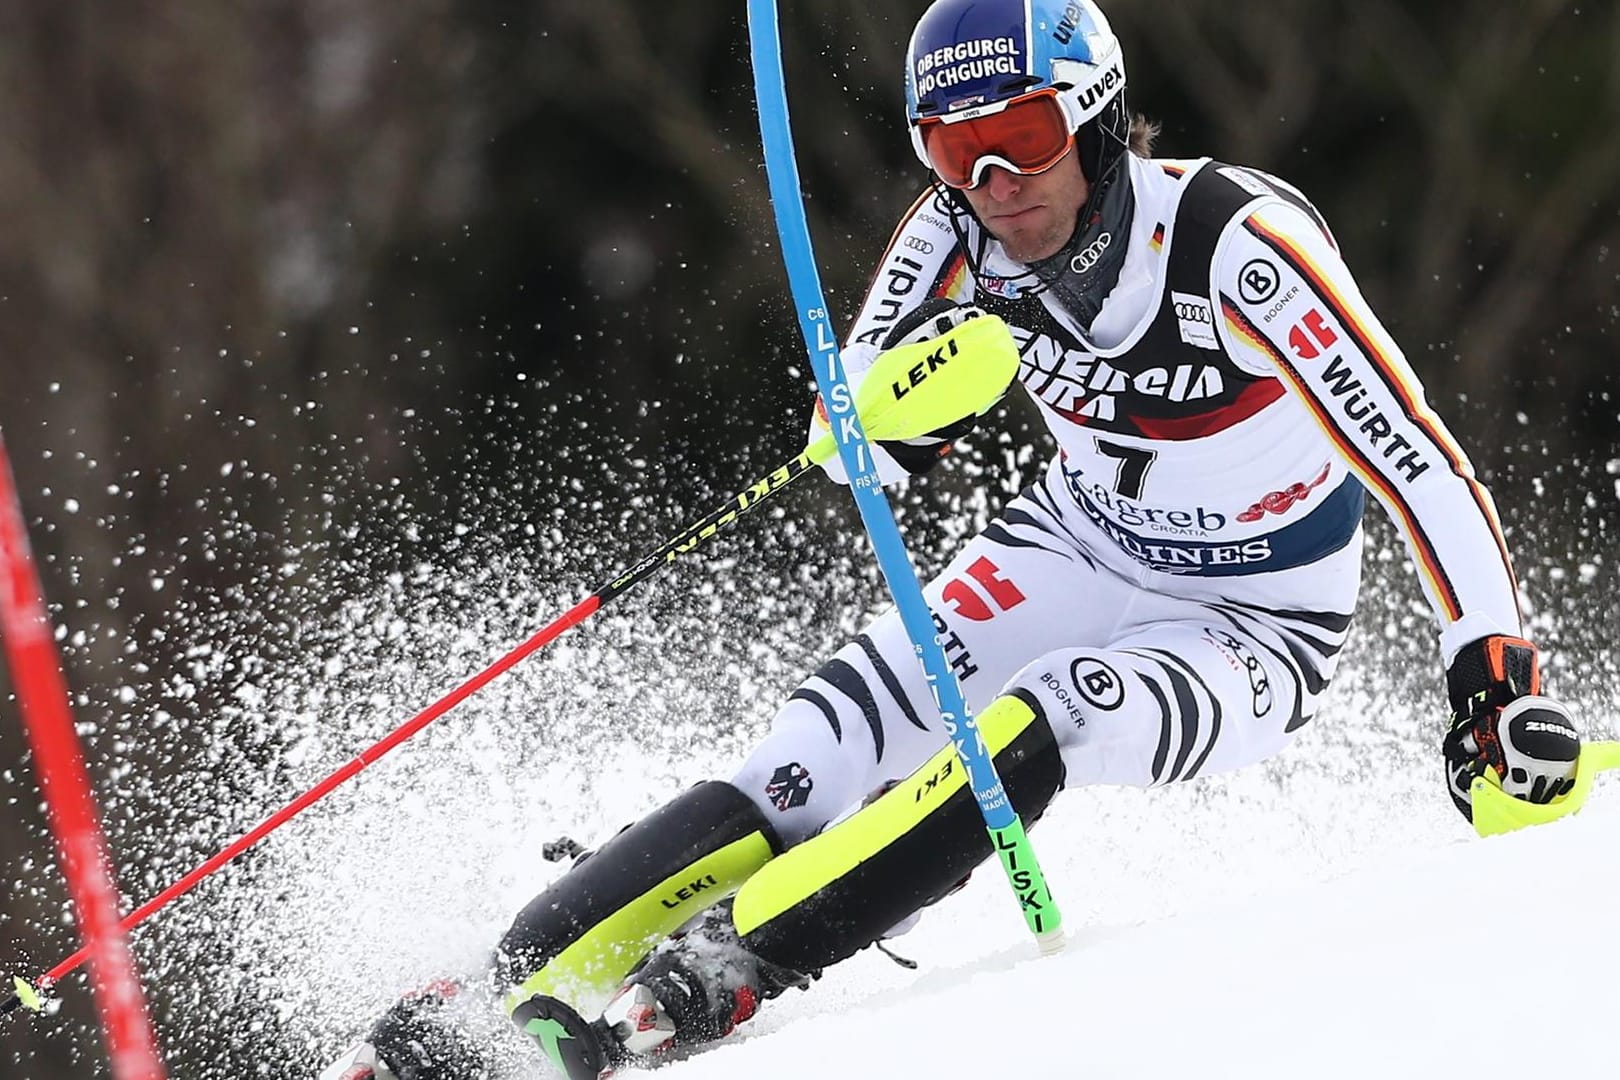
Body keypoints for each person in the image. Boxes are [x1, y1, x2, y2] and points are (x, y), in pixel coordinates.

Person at [321, 1, 1584, 1077]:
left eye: (1022, 140)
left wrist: (1490, 678)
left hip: (1251, 622)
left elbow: (1416, 457)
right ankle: (476, 1007)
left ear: (1094, 120)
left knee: (1037, 725)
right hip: (1073, 548)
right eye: (954, 149)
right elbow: (851, 421)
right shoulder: (956, 238)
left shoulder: (1236, 250)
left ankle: (706, 982)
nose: (994, 186)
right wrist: (887, 409)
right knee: (808, 760)